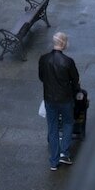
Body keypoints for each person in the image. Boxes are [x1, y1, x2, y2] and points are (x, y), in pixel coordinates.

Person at [39, 32, 81, 170]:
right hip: (65, 99)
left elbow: (41, 77)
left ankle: (54, 161)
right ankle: (64, 152)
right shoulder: (68, 61)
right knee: (68, 123)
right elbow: (75, 80)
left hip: (49, 98)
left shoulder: (44, 59)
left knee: (52, 127)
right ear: (64, 43)